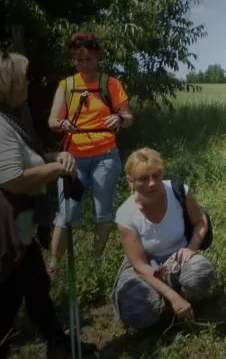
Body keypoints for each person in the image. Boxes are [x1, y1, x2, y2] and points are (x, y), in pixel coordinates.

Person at [0, 49, 96, 358]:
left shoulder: (8, 117)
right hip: (2, 224)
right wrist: (57, 168)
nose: (28, 83)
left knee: (37, 288)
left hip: (18, 223)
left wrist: (55, 157)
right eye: (22, 78)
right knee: (4, 307)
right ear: (5, 84)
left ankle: (58, 345)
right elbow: (14, 179)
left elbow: (27, 162)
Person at [47, 32, 133, 277]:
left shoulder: (110, 84)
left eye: (88, 59)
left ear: (98, 58)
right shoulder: (67, 85)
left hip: (105, 156)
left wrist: (119, 118)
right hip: (72, 160)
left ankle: (96, 262)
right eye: (78, 59)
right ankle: (53, 265)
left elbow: (128, 117)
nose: (83, 64)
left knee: (103, 213)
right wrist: (61, 124)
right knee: (67, 213)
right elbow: (52, 120)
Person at [110, 147, 216, 330]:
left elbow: (201, 222)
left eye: (156, 176)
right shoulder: (126, 214)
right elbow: (139, 266)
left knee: (200, 275)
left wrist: (191, 247)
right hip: (145, 265)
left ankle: (185, 301)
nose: (152, 183)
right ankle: (166, 308)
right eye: (143, 178)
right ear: (130, 181)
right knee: (136, 308)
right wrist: (173, 298)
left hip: (178, 256)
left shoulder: (179, 191)